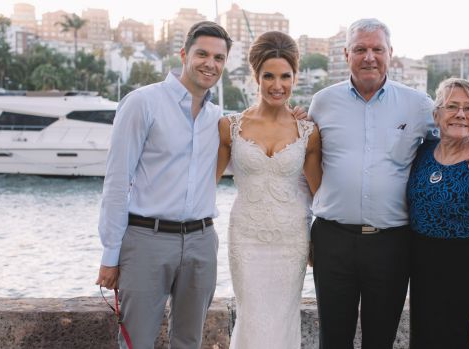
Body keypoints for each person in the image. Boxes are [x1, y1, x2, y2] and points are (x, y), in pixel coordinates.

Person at [307, 18, 469, 349]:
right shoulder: (322, 102)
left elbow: (455, 130)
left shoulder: (417, 104)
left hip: (391, 244)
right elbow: (304, 158)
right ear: (346, 53)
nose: (369, 56)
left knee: (380, 339)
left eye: (377, 49)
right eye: (360, 49)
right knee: (333, 339)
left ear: (390, 53)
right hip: (332, 239)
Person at [94, 21, 232, 349]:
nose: (210, 64)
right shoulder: (143, 103)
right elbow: (116, 182)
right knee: (136, 341)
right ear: (184, 54)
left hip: (201, 242)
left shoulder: (218, 117)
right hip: (146, 241)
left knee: (189, 341)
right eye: (202, 54)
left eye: (219, 57)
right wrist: (110, 254)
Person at [216, 31, 322, 348]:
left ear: (295, 77)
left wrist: (320, 240)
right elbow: (202, 185)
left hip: (292, 240)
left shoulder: (308, 131)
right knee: (252, 318)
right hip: (246, 237)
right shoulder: (230, 127)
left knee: (284, 318)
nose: (278, 85)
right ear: (256, 77)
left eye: (285, 76)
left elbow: (321, 195)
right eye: (269, 76)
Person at [407, 78, 469, 349]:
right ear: (436, 115)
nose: (461, 114)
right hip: (422, 283)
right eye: (452, 106)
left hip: (464, 286)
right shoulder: (421, 154)